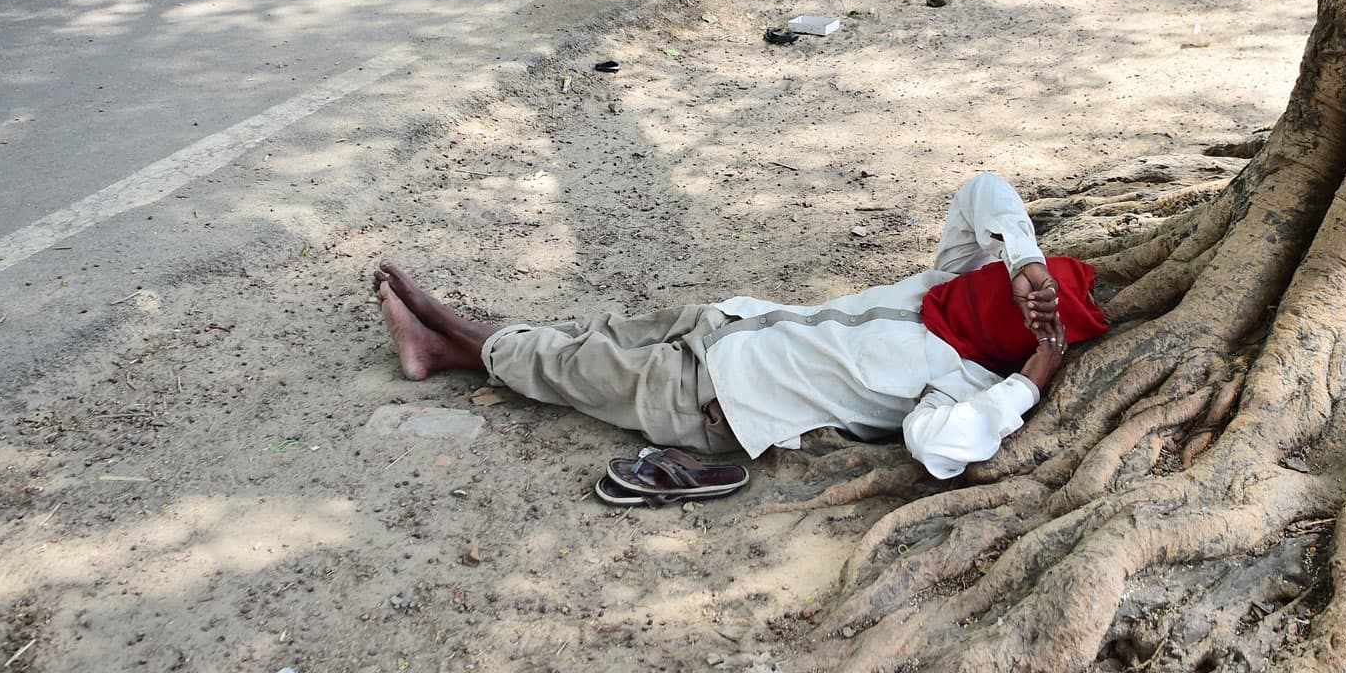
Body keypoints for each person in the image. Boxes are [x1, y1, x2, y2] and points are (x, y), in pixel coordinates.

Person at [373, 172, 1110, 481]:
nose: (989, 290)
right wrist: (1026, 261)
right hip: (728, 321)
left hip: (711, 396)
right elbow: (983, 189)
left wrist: (1029, 382)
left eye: (1013, 305)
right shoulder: (953, 287)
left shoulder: (962, 382)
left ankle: (443, 325)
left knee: (568, 365)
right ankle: (437, 348)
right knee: (580, 335)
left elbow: (937, 444)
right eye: (1003, 286)